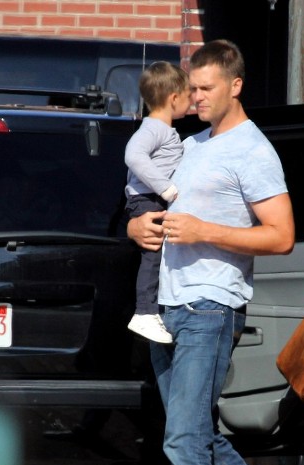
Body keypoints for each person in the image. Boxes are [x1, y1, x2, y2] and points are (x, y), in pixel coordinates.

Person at [112, 39, 304, 465]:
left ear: (235, 86)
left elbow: (281, 236)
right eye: (191, 88)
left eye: (205, 88)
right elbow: (145, 197)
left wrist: (205, 231)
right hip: (166, 308)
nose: (194, 97)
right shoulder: (187, 144)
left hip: (211, 304)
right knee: (197, 438)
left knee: (184, 438)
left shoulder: (254, 151)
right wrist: (135, 228)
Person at [125, 61, 191, 343]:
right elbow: (133, 155)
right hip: (147, 199)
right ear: (174, 98)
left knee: (157, 256)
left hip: (148, 198)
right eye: (188, 95)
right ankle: (144, 313)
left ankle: (152, 310)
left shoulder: (162, 129)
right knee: (152, 257)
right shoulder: (154, 128)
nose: (192, 101)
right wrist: (165, 188)